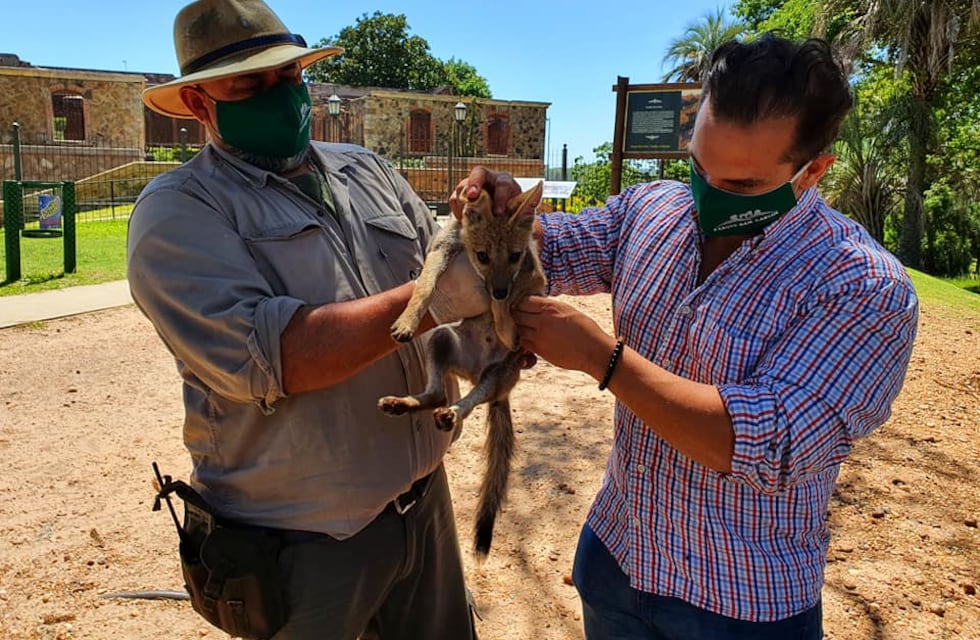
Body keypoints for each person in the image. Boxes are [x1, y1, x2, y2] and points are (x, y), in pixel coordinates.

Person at [453, 34, 919, 640]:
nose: (706, 196)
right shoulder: (652, 210)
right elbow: (556, 249)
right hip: (617, 559)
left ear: (814, 170)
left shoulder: (862, 285)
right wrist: (503, 215)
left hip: (741, 600)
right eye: (699, 166)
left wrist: (604, 360)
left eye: (742, 186)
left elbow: (770, 443)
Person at [127, 1, 491, 638]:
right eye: (251, 84)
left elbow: (444, 272)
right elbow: (276, 357)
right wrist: (434, 298)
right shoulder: (178, 215)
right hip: (300, 544)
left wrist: (486, 295)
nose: (282, 96)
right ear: (198, 103)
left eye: (290, 77)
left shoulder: (365, 170)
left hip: (423, 502)